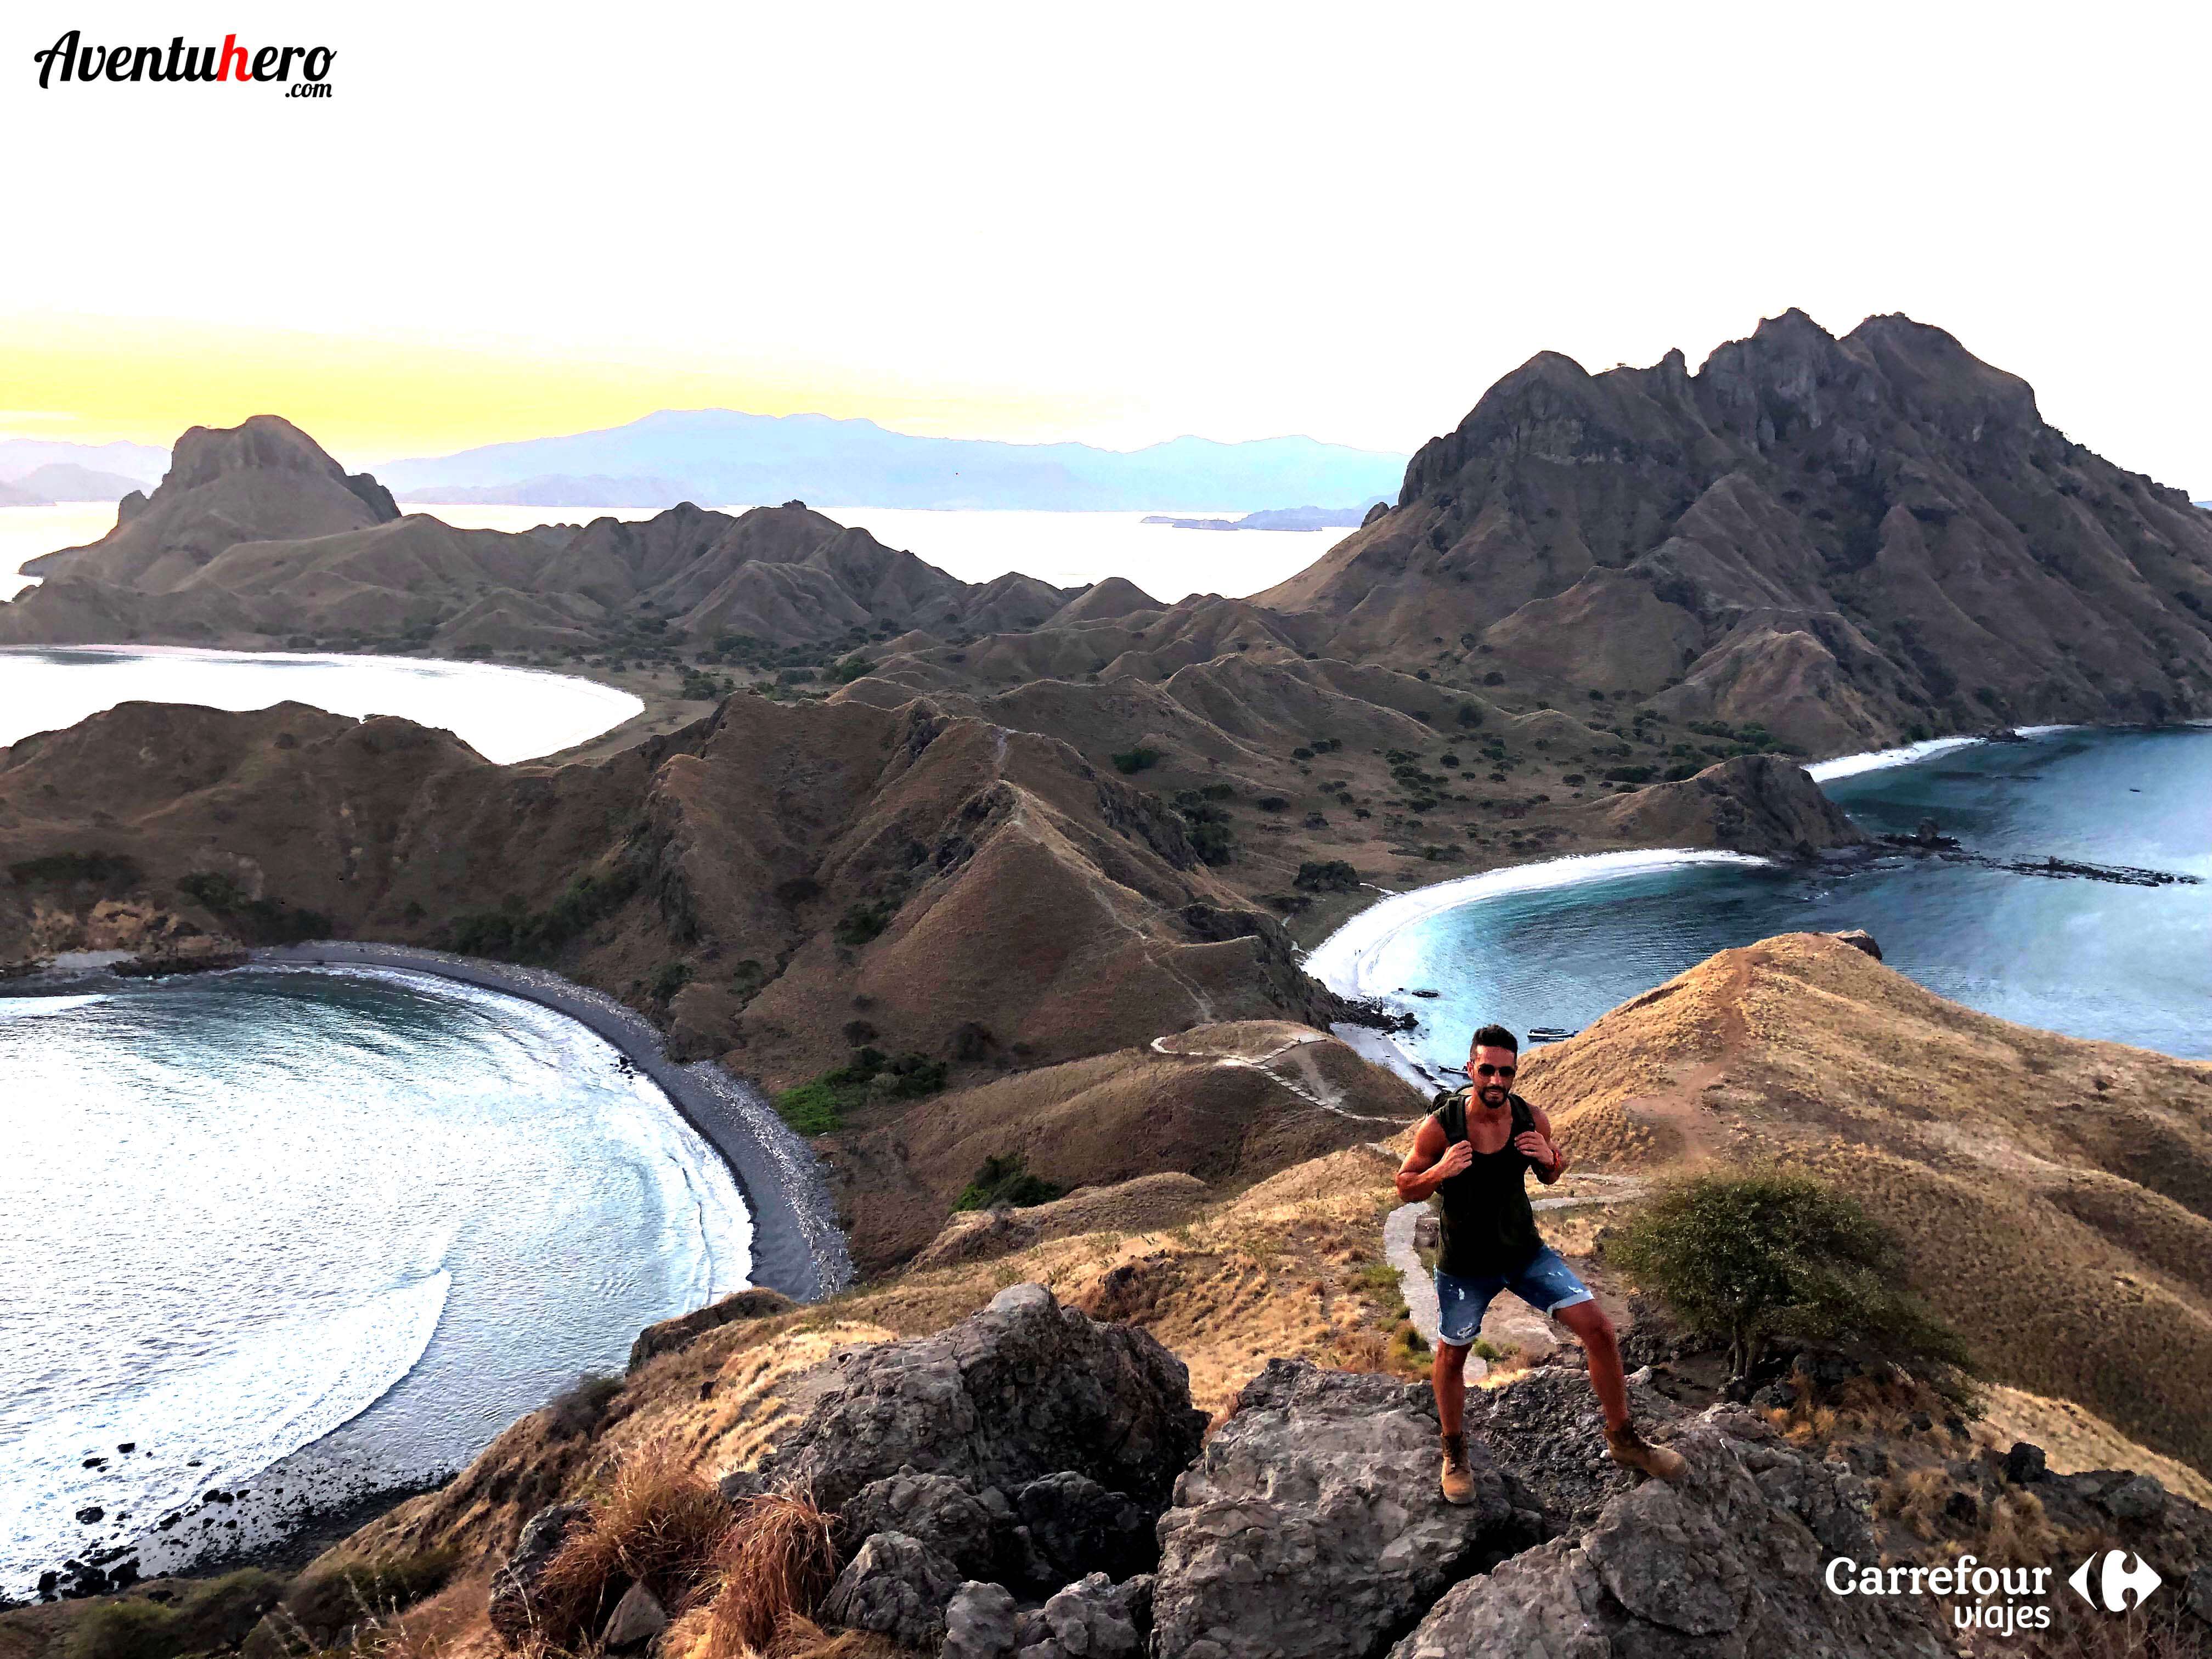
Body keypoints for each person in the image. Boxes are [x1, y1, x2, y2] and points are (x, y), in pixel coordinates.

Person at [1396, 1023, 1685, 1501]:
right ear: (1470, 1069)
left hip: (1525, 1254)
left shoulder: (1531, 1119)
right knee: (1452, 1356)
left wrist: (1553, 1159)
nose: (1495, 1081)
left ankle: (1624, 1441)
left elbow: (1551, 1176)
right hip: (1465, 1265)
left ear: (1514, 1074)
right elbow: (1405, 1185)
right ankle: (1453, 1450)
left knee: (1599, 1330)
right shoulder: (1442, 1125)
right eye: (1486, 1070)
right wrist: (1440, 1170)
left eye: (1504, 1072)